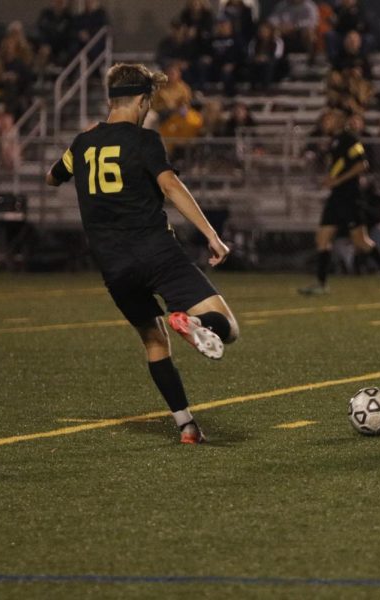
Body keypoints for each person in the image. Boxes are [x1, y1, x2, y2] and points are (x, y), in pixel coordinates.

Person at [45, 63, 240, 444]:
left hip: (113, 266)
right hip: (156, 252)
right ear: (140, 100)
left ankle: (186, 426)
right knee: (227, 328)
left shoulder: (82, 144)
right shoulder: (145, 140)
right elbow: (170, 186)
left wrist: (77, 149)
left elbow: (52, 178)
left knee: (153, 341)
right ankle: (194, 324)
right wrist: (211, 235)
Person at [299, 109, 380, 296]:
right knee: (322, 238)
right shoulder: (334, 140)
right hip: (336, 197)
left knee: (361, 241)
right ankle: (321, 284)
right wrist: (331, 178)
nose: (325, 122)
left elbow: (362, 164)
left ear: (338, 120)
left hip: (350, 196)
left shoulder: (350, 139)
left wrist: (337, 180)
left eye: (329, 118)